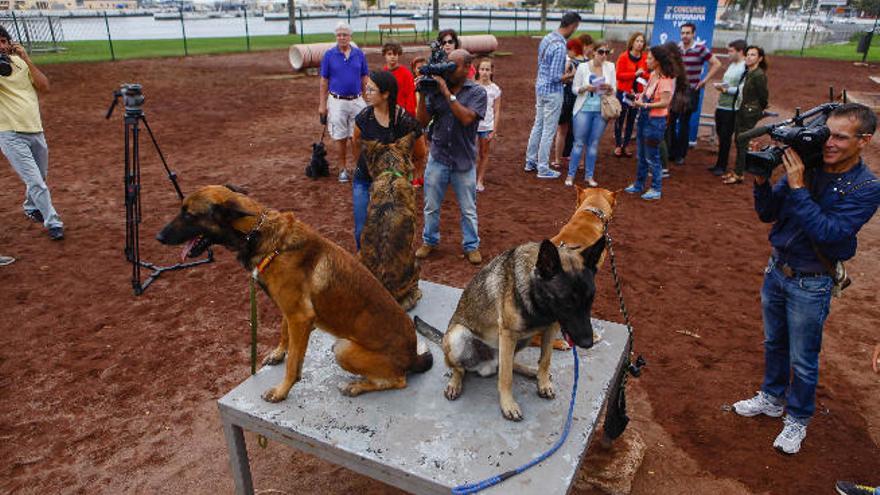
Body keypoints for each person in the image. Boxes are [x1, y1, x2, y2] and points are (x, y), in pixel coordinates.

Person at [733, 103, 880, 455]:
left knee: (803, 358)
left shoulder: (865, 187)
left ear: (865, 141)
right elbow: (767, 213)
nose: (828, 143)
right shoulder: (808, 165)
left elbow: (830, 233)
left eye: (841, 137)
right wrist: (761, 181)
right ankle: (771, 398)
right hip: (777, 269)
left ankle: (797, 418)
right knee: (774, 343)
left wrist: (798, 188)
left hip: (811, 282)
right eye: (827, 134)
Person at [415, 49, 487, 265]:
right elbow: (422, 121)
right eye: (448, 65)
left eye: (453, 66)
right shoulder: (435, 89)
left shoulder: (477, 92)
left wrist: (446, 93)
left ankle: (471, 245)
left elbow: (466, 118)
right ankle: (429, 240)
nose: (449, 69)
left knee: (468, 208)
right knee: (431, 204)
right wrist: (423, 95)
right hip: (438, 156)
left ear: (467, 67)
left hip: (463, 160)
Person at [351, 71, 427, 250]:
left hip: (394, 182)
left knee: (392, 231)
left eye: (371, 90)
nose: (366, 93)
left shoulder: (405, 122)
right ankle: (365, 269)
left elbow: (420, 153)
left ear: (385, 94)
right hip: (364, 179)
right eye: (366, 88)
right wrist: (363, 167)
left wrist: (409, 178)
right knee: (361, 230)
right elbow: (355, 142)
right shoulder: (364, 117)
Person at [0, 26, 63, 240]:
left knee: (39, 176)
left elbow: (44, 86)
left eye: (3, 41)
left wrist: (26, 59)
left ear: (9, 42)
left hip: (35, 129)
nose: (1, 46)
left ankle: (30, 205)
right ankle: (53, 222)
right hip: (10, 133)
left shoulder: (19, 62)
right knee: (36, 181)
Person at [523, 11, 581, 179]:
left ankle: (530, 161)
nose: (575, 30)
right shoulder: (559, 46)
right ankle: (542, 168)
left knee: (538, 126)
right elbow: (556, 77)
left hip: (540, 88)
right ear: (571, 25)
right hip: (552, 92)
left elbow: (544, 67)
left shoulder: (548, 38)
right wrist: (571, 75)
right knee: (548, 130)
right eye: (576, 27)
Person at [623, 44, 677, 201]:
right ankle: (639, 184)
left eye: (650, 58)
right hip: (646, 118)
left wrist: (644, 104)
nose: (646, 60)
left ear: (658, 61)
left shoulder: (666, 79)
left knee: (652, 156)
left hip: (655, 121)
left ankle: (656, 188)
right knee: (642, 154)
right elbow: (648, 94)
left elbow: (665, 102)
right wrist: (638, 97)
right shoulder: (654, 75)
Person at [319, 22, 369, 183]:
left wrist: (367, 98)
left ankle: (359, 169)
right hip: (337, 101)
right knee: (340, 137)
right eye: (339, 34)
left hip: (357, 100)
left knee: (357, 137)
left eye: (345, 34)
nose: (342, 37)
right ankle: (342, 168)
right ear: (336, 37)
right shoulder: (329, 55)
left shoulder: (359, 54)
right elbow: (324, 81)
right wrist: (322, 105)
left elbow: (364, 77)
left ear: (350, 37)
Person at [667, 22, 721, 166]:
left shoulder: (700, 49)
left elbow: (717, 63)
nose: (685, 36)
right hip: (675, 90)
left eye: (688, 33)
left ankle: (680, 154)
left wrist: (704, 81)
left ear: (693, 34)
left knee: (684, 123)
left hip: (690, 91)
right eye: (683, 33)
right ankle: (671, 152)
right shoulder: (676, 49)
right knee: (671, 121)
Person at [567, 40, 615, 187]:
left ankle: (589, 176)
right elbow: (574, 89)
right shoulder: (582, 67)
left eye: (606, 52)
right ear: (593, 52)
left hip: (601, 111)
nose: (604, 55)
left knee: (593, 144)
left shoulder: (610, 67)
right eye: (601, 52)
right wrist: (586, 88)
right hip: (583, 109)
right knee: (579, 143)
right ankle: (570, 175)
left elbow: (615, 89)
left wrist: (609, 88)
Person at [723, 45, 769, 185]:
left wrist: (757, 109)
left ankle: (738, 174)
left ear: (760, 58)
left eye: (753, 55)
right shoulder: (748, 72)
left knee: (742, 141)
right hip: (741, 109)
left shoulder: (759, 75)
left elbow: (763, 96)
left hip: (748, 112)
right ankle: (738, 170)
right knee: (739, 140)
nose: (749, 57)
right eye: (748, 54)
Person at [707, 39, 747, 177]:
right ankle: (719, 163)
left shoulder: (744, 67)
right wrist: (723, 87)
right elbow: (728, 84)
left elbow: (742, 90)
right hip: (722, 105)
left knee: (725, 137)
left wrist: (725, 89)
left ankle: (722, 165)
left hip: (731, 108)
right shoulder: (732, 65)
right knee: (721, 135)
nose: (728, 54)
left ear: (740, 52)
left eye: (731, 51)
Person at [613, 31, 648, 158]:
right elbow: (618, 75)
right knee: (620, 118)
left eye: (641, 41)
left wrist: (642, 74)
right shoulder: (623, 56)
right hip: (623, 92)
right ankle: (618, 144)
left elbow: (648, 74)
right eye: (637, 41)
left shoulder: (645, 57)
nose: (639, 44)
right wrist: (634, 74)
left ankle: (626, 144)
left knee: (631, 119)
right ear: (632, 42)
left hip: (637, 94)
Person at [552, 38, 584, 170]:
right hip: (582, 99)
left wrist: (569, 76)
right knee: (581, 133)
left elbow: (562, 79)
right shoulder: (588, 62)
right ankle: (581, 162)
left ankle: (558, 160)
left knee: (562, 131)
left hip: (568, 98)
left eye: (568, 49)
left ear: (573, 50)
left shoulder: (571, 63)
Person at [476, 58, 501, 193]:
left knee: (483, 153)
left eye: (487, 69)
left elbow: (497, 111)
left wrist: (494, 129)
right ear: (478, 71)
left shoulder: (495, 90)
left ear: (491, 72)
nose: (484, 72)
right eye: (482, 69)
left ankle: (480, 179)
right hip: (472, 125)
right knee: (469, 152)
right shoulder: (473, 86)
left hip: (486, 126)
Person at [381, 41, 416, 116]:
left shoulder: (406, 74)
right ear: (384, 55)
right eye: (389, 54)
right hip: (386, 112)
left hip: (402, 113)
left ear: (398, 55)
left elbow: (411, 96)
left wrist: (409, 115)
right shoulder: (383, 73)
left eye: (395, 54)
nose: (392, 57)